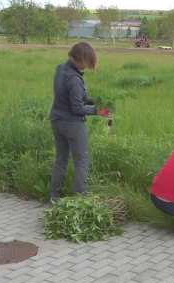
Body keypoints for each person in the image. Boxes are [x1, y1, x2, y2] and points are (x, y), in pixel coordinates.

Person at [48, 42, 109, 203]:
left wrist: (96, 101)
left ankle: (54, 195)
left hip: (56, 120)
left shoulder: (60, 68)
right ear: (80, 58)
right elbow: (76, 108)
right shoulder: (74, 79)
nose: (88, 66)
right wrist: (98, 112)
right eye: (87, 62)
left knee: (61, 157)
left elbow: (74, 98)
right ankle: (80, 200)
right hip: (72, 124)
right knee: (81, 160)